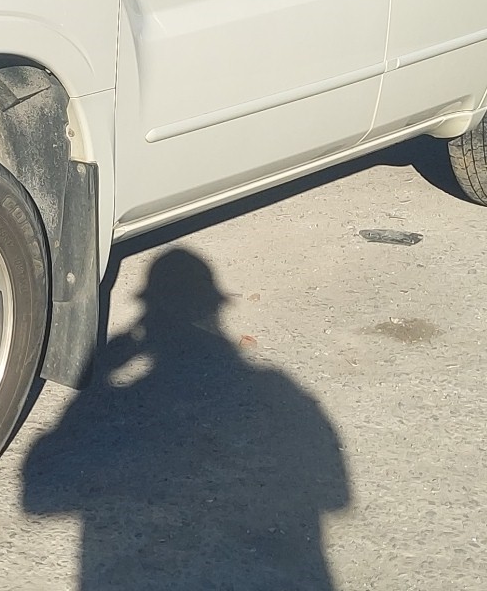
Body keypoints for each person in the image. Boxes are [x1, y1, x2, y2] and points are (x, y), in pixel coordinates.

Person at [23, 248, 351, 590]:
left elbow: (38, 496)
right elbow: (337, 496)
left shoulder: (128, 403)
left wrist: (98, 383)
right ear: (213, 310)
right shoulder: (280, 392)